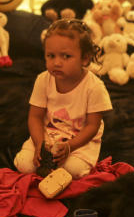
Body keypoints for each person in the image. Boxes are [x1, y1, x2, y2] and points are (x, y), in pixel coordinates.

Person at [14, 19, 113, 194]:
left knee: (74, 170)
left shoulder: (94, 87)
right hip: (49, 135)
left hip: (79, 140)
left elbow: (93, 125)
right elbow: (35, 116)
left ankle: (60, 166)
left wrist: (70, 147)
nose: (57, 62)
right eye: (51, 56)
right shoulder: (43, 80)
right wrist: (38, 144)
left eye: (66, 56)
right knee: (25, 164)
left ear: (85, 58)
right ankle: (45, 163)